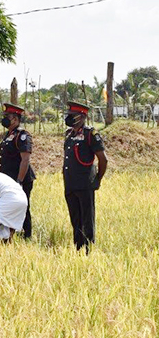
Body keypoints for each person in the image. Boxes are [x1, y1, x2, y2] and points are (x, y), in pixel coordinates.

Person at [63, 101, 108, 253]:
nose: (69, 118)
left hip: (85, 184)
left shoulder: (90, 134)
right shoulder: (69, 134)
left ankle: (89, 251)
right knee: (75, 219)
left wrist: (97, 179)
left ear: (82, 117)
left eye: (73, 115)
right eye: (68, 115)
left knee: (87, 220)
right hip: (70, 184)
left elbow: (103, 159)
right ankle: (78, 249)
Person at [0, 103, 35, 239]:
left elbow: (25, 160)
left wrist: (19, 181)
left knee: (22, 207)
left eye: (7, 116)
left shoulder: (22, 135)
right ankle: (10, 234)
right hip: (8, 179)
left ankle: (26, 235)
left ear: (15, 119)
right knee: (9, 207)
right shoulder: (9, 135)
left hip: (20, 179)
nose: (5, 119)